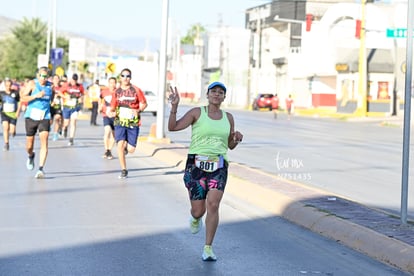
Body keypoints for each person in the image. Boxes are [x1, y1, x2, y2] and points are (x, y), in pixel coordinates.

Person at [167, 81, 243, 262]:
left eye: (221, 92)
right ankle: (195, 218)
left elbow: (230, 145)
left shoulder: (228, 117)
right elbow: (173, 127)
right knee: (198, 210)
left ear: (224, 97)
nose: (217, 94)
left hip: (219, 164)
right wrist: (174, 107)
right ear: (207, 95)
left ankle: (208, 247)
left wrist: (237, 139)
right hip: (196, 165)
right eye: (214, 91)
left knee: (214, 204)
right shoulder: (197, 113)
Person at [109, 68, 147, 179]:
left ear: (130, 77)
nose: (126, 78)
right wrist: (111, 112)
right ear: (120, 77)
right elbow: (112, 107)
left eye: (128, 76)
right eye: (123, 75)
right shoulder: (116, 92)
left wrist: (138, 110)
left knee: (131, 150)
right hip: (120, 121)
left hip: (133, 123)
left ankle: (126, 148)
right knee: (120, 145)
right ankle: (124, 170)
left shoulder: (136, 90)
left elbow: (144, 104)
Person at [20, 67, 54, 179]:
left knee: (44, 141)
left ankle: (40, 169)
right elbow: (23, 98)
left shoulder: (50, 86)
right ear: (37, 75)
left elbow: (51, 101)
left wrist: (51, 115)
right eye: (41, 75)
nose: (43, 78)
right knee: (29, 146)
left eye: (45, 76)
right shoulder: (32, 84)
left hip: (44, 116)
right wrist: (35, 96)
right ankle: (31, 155)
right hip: (31, 117)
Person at [62, 73, 84, 146]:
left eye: (75, 80)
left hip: (74, 107)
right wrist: (65, 97)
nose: (74, 82)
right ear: (70, 79)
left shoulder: (79, 86)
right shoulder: (66, 85)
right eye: (73, 80)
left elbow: (83, 94)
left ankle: (71, 139)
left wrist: (81, 99)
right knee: (66, 123)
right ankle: (65, 129)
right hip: (67, 106)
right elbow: (60, 92)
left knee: (73, 122)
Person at [0, 78, 21, 151]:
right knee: (5, 127)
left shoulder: (15, 93)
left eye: (9, 85)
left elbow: (19, 102)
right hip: (4, 113)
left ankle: (13, 131)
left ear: (11, 85)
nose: (8, 87)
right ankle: (6, 143)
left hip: (13, 114)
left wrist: (18, 111)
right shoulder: (1, 93)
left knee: (11, 131)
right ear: (4, 86)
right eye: (6, 86)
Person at [99, 77, 117, 159]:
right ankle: (107, 150)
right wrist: (100, 106)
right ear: (108, 83)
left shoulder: (118, 92)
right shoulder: (104, 91)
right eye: (111, 82)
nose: (112, 84)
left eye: (114, 83)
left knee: (114, 134)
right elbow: (100, 98)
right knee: (107, 131)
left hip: (115, 115)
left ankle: (109, 151)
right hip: (106, 115)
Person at [50, 74, 65, 141]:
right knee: (50, 121)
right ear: (52, 80)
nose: (56, 80)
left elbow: (65, 95)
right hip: (50, 106)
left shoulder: (61, 87)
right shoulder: (50, 87)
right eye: (55, 79)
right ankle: (48, 126)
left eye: (57, 79)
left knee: (57, 118)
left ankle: (55, 134)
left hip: (58, 106)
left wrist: (60, 95)